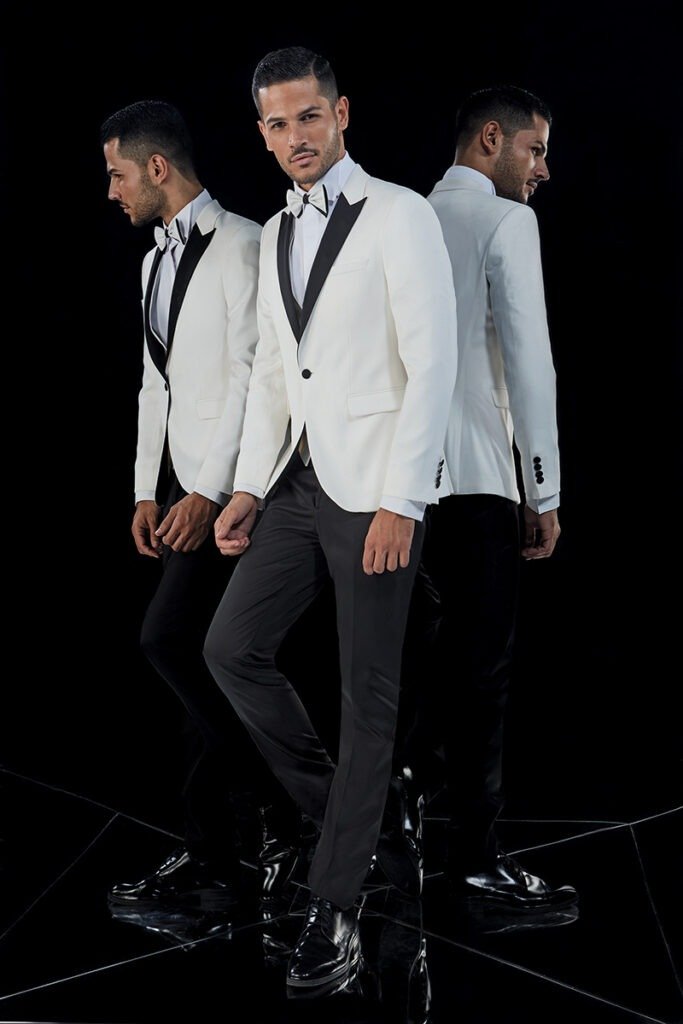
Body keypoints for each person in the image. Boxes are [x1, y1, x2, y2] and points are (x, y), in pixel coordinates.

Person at [203, 46, 458, 996]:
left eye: (308, 116)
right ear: (262, 133)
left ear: (340, 113)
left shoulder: (401, 213)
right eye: (276, 124)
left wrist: (403, 500)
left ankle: (336, 904)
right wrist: (246, 487)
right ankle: (370, 820)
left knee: (367, 698)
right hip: (299, 485)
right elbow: (278, 371)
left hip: (377, 488)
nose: (294, 137)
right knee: (231, 650)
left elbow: (433, 362)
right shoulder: (276, 230)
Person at [100, 100, 299, 914]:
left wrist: (210, 491)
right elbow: (156, 384)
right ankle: (220, 848)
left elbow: (258, 379)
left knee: (173, 642)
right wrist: (146, 489)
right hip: (183, 491)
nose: (111, 191)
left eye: (117, 174)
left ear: (157, 167)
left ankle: (284, 808)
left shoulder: (246, 243)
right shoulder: (152, 263)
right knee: (194, 667)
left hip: (240, 492)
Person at [422, 85, 578, 910]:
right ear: (491, 138)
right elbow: (529, 362)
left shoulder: (403, 217)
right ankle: (474, 864)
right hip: (481, 484)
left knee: (401, 675)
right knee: (479, 678)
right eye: (535, 149)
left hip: (396, 490)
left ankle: (393, 844)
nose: (542, 169)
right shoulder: (506, 222)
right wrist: (541, 489)